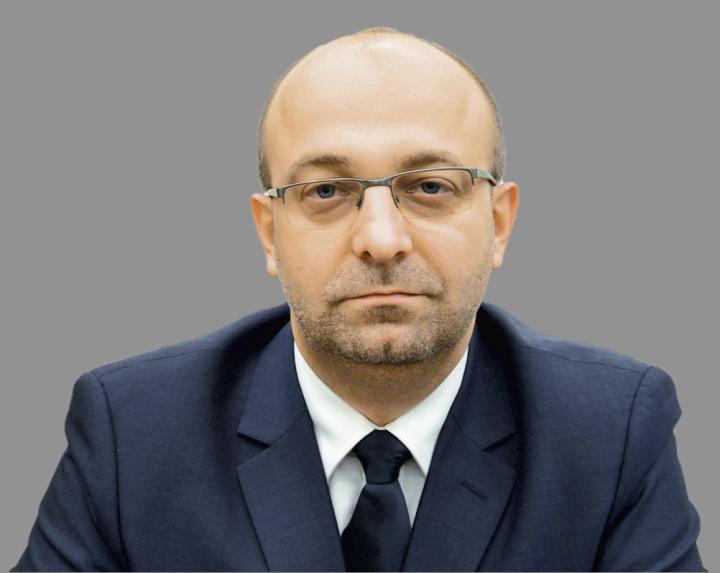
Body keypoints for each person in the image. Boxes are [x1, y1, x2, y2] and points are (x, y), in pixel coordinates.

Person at [13, 27, 705, 572]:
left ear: (498, 223)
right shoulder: (133, 432)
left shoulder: (610, 431)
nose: (380, 239)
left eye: (430, 186)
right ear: (270, 232)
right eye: (325, 191)